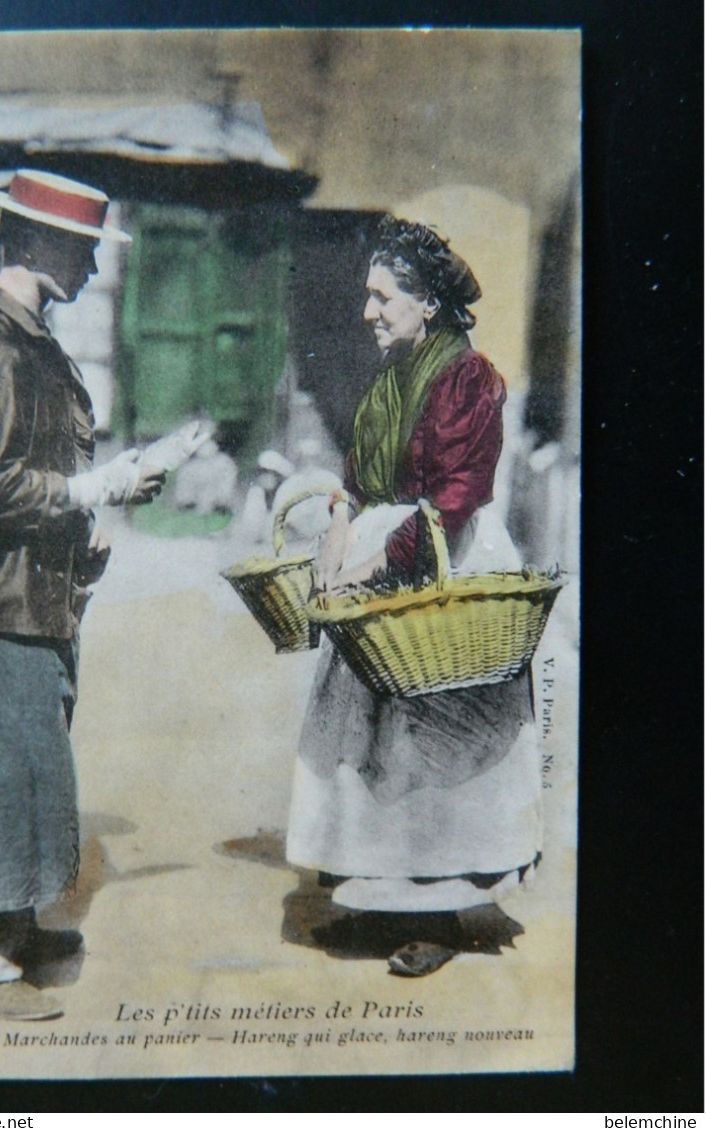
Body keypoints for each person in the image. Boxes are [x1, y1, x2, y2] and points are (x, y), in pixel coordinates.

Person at [0, 169, 165, 1018]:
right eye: (85, 246)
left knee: (26, 764)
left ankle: (12, 927)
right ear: (36, 243)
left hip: (24, 598)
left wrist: (98, 495)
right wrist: (94, 490)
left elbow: (36, 469)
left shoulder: (27, 338)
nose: (94, 264)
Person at [286, 215, 542, 977]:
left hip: (446, 564)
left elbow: (459, 495)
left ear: (427, 302)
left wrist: (377, 561)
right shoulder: (389, 382)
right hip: (385, 560)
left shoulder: (467, 380)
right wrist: (339, 526)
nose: (368, 312)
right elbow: (361, 475)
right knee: (370, 742)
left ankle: (436, 911)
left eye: (382, 297)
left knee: (433, 738)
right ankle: (378, 895)